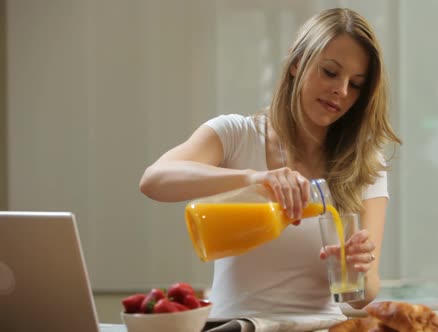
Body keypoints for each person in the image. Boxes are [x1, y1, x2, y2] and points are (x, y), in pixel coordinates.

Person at [139, 7, 401, 324]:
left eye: (356, 84)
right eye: (330, 72)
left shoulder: (364, 162)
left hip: (321, 328)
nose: (341, 91)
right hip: (236, 326)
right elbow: (155, 180)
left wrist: (356, 271)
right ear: (296, 64)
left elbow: (363, 295)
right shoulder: (236, 135)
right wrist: (254, 178)